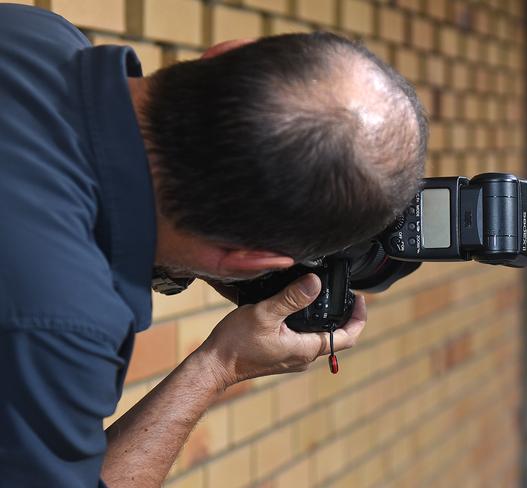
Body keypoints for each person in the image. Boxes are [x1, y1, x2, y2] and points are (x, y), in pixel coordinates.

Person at [0, 4, 427, 487]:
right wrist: (219, 364)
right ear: (249, 260)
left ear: (224, 52)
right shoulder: (60, 325)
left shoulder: (36, 32)